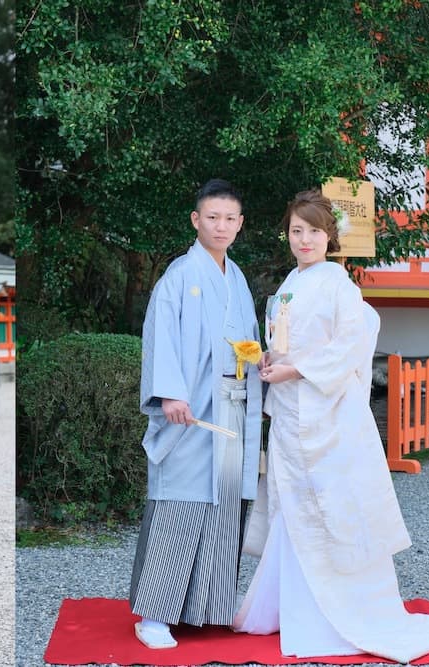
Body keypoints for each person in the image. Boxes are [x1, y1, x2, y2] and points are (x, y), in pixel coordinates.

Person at [233, 190, 429, 662]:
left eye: (313, 231)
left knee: (334, 508)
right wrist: (274, 359)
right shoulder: (291, 281)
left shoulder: (338, 283)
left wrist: (299, 369)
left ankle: (337, 612)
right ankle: (293, 606)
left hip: (328, 415)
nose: (304, 239)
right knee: (293, 507)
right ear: (286, 234)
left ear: (330, 236)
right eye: (296, 231)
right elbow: (289, 342)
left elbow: (355, 340)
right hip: (294, 413)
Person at [129, 179, 264, 650]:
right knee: (180, 502)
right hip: (191, 409)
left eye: (229, 219)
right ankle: (154, 616)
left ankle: (203, 607)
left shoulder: (238, 278)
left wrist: (257, 359)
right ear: (196, 220)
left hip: (230, 407)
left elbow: (242, 339)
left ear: (240, 224)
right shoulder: (180, 275)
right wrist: (169, 395)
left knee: (223, 503)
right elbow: (160, 334)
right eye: (212, 217)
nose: (221, 226)